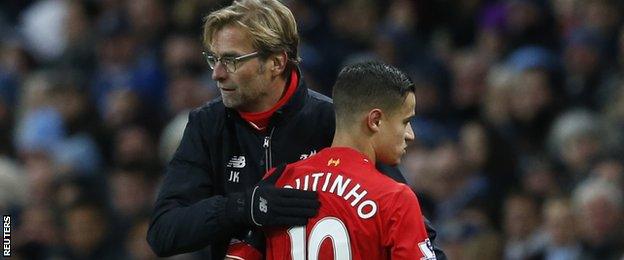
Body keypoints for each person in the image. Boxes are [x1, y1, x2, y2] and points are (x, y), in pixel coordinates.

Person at [147, 0, 445, 259]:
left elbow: (415, 229)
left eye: (231, 60)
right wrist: (243, 207)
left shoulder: (332, 119)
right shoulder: (207, 125)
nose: (217, 73)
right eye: (214, 58)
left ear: (277, 61)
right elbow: (163, 233)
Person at [226, 62, 437, 259]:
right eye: (406, 121)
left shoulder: (277, 184)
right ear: (375, 120)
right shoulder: (395, 198)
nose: (411, 134)